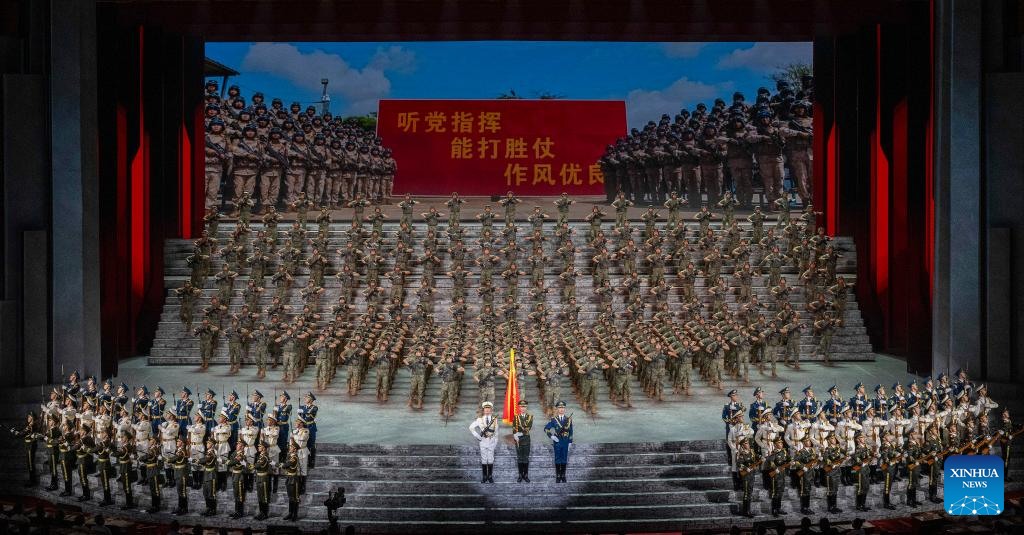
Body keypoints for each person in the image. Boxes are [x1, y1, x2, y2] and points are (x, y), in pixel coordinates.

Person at [469, 401, 500, 483]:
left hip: (491, 441)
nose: (487, 410)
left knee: (490, 459)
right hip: (483, 441)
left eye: (488, 408)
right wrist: (477, 436)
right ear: (483, 410)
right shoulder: (479, 420)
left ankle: (490, 476)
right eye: (485, 408)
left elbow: (496, 433)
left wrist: (495, 443)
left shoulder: (495, 420)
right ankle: (484, 476)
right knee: (484, 459)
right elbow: (471, 427)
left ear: (491, 410)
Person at [544, 400, 574, 483]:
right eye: (560, 408)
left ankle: (563, 475)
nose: (561, 409)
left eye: (563, 408)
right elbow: (546, 428)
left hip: (565, 442)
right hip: (557, 442)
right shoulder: (554, 420)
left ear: (565, 409)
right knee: (557, 458)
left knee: (564, 458)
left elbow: (571, 431)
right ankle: (558, 476)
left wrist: (570, 442)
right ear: (557, 409)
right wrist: (551, 436)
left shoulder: (568, 419)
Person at [512, 399, 533, 483]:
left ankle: (526, 475)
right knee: (520, 457)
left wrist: (519, 433)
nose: (523, 408)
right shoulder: (516, 417)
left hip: (526, 439)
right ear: (519, 408)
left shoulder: (530, 417)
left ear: (526, 407)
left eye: (524, 407)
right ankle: (520, 475)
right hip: (518, 440)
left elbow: (528, 428)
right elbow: (514, 427)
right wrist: (514, 435)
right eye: (521, 407)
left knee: (526, 458)